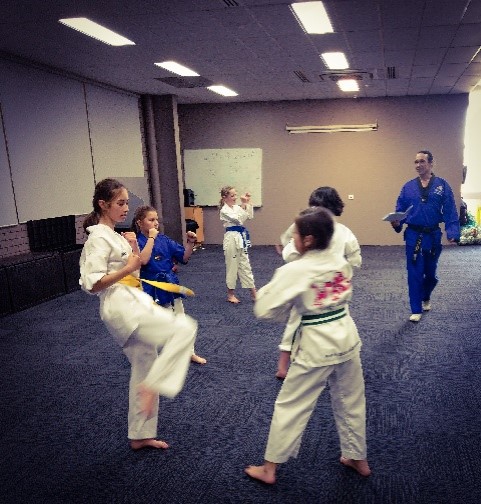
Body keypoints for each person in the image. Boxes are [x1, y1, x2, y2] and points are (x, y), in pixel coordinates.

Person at [245, 207, 370, 484]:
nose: (294, 240)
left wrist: (286, 306)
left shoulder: (296, 270)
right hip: (348, 339)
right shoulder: (340, 262)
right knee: (351, 400)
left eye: (296, 235)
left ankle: (269, 468)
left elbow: (264, 309)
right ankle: (357, 456)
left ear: (309, 240)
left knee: (292, 404)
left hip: (317, 346)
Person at [79, 178, 197, 451]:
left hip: (132, 298)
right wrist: (128, 265)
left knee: (145, 363)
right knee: (184, 329)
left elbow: (136, 265)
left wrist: (132, 251)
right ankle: (154, 385)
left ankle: (140, 435)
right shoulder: (97, 238)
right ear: (102, 204)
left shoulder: (114, 234)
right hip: (121, 305)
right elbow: (92, 283)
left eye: (126, 203)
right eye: (119, 203)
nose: (124, 209)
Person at [275, 187, 361, 379]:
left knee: (330, 321)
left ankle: (332, 360)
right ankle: (284, 364)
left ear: (332, 208)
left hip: (327, 288)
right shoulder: (306, 228)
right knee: (298, 320)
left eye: (321, 209)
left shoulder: (343, 233)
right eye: (313, 208)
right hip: (310, 285)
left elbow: (355, 260)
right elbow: (288, 249)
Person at [390, 150, 460, 322]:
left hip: (433, 236)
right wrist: (396, 222)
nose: (418, 165)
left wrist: (452, 233)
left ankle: (426, 295)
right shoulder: (408, 187)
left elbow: (450, 210)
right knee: (414, 272)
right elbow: (400, 210)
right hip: (413, 234)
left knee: (430, 274)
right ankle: (416, 309)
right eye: (415, 162)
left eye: (421, 161)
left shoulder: (442, 185)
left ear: (431, 163)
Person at [132, 205, 206, 365]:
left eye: (156, 220)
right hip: (150, 288)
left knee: (181, 319)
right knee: (156, 325)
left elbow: (184, 257)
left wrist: (190, 243)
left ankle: (189, 352)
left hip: (169, 284)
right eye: (151, 220)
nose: (156, 223)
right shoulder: (136, 242)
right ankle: (151, 356)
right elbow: (142, 261)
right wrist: (151, 238)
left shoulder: (164, 240)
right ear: (140, 223)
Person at [219, 186, 256, 303]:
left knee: (245, 265)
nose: (235, 198)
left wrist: (247, 203)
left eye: (235, 195)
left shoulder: (236, 207)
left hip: (240, 238)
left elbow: (249, 216)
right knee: (232, 266)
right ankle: (230, 295)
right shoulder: (224, 210)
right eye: (232, 196)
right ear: (225, 198)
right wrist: (243, 205)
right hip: (231, 239)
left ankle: (254, 293)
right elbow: (239, 220)